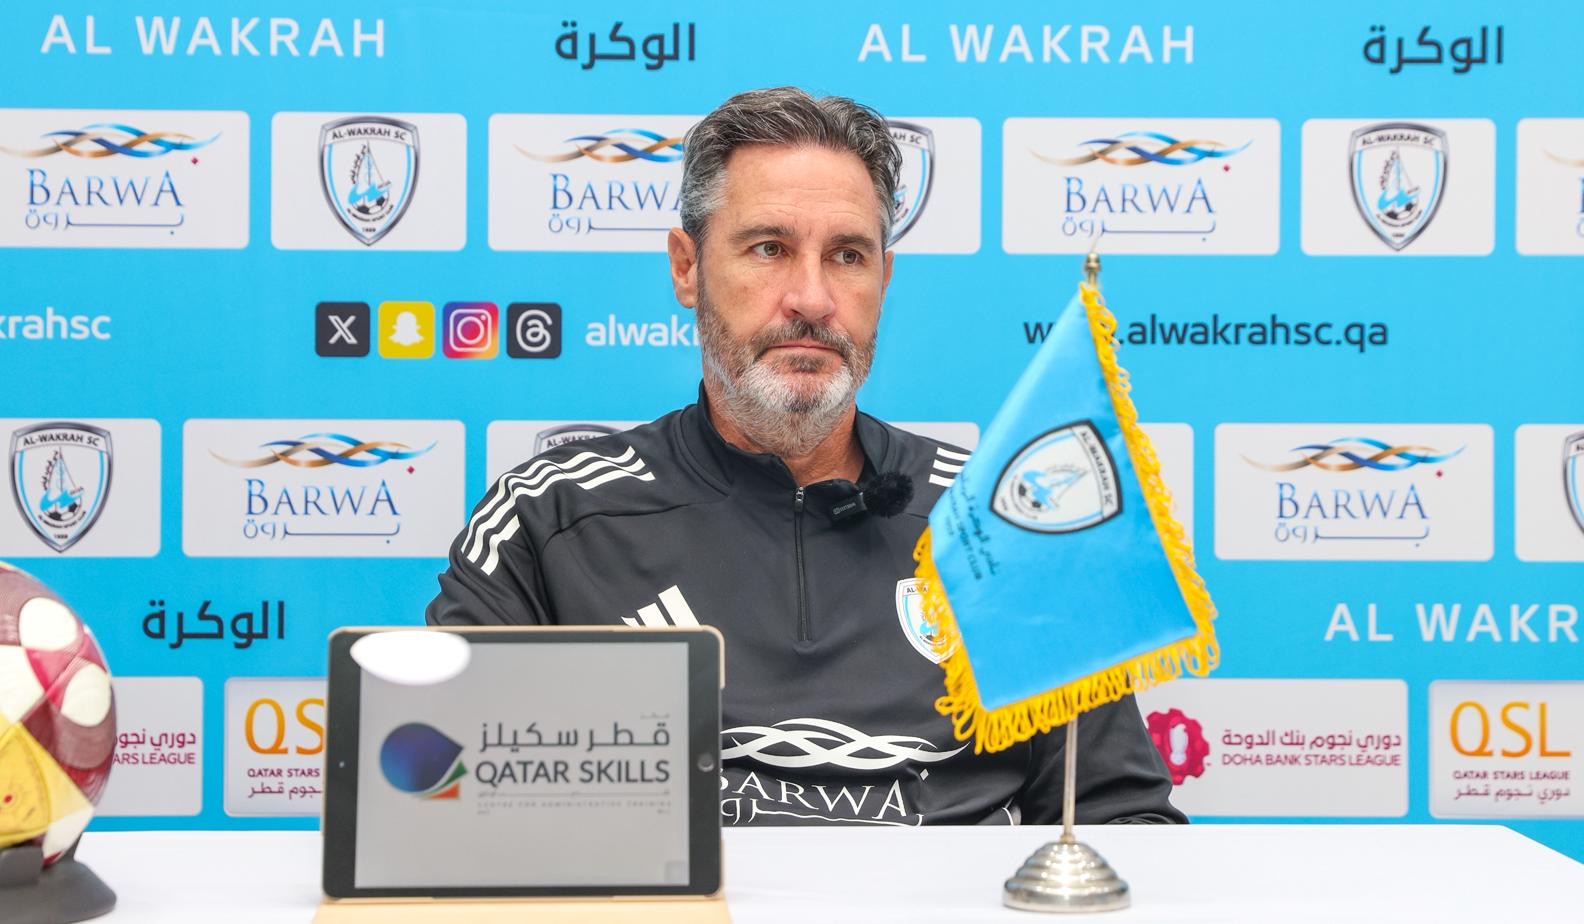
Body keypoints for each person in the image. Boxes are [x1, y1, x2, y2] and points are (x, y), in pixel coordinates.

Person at [427, 87, 1182, 826]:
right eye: (769, 249)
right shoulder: (550, 518)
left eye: (848, 255)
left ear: (883, 278)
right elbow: (441, 809)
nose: (813, 299)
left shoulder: (1000, 526)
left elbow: (1120, 820)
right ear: (687, 267)